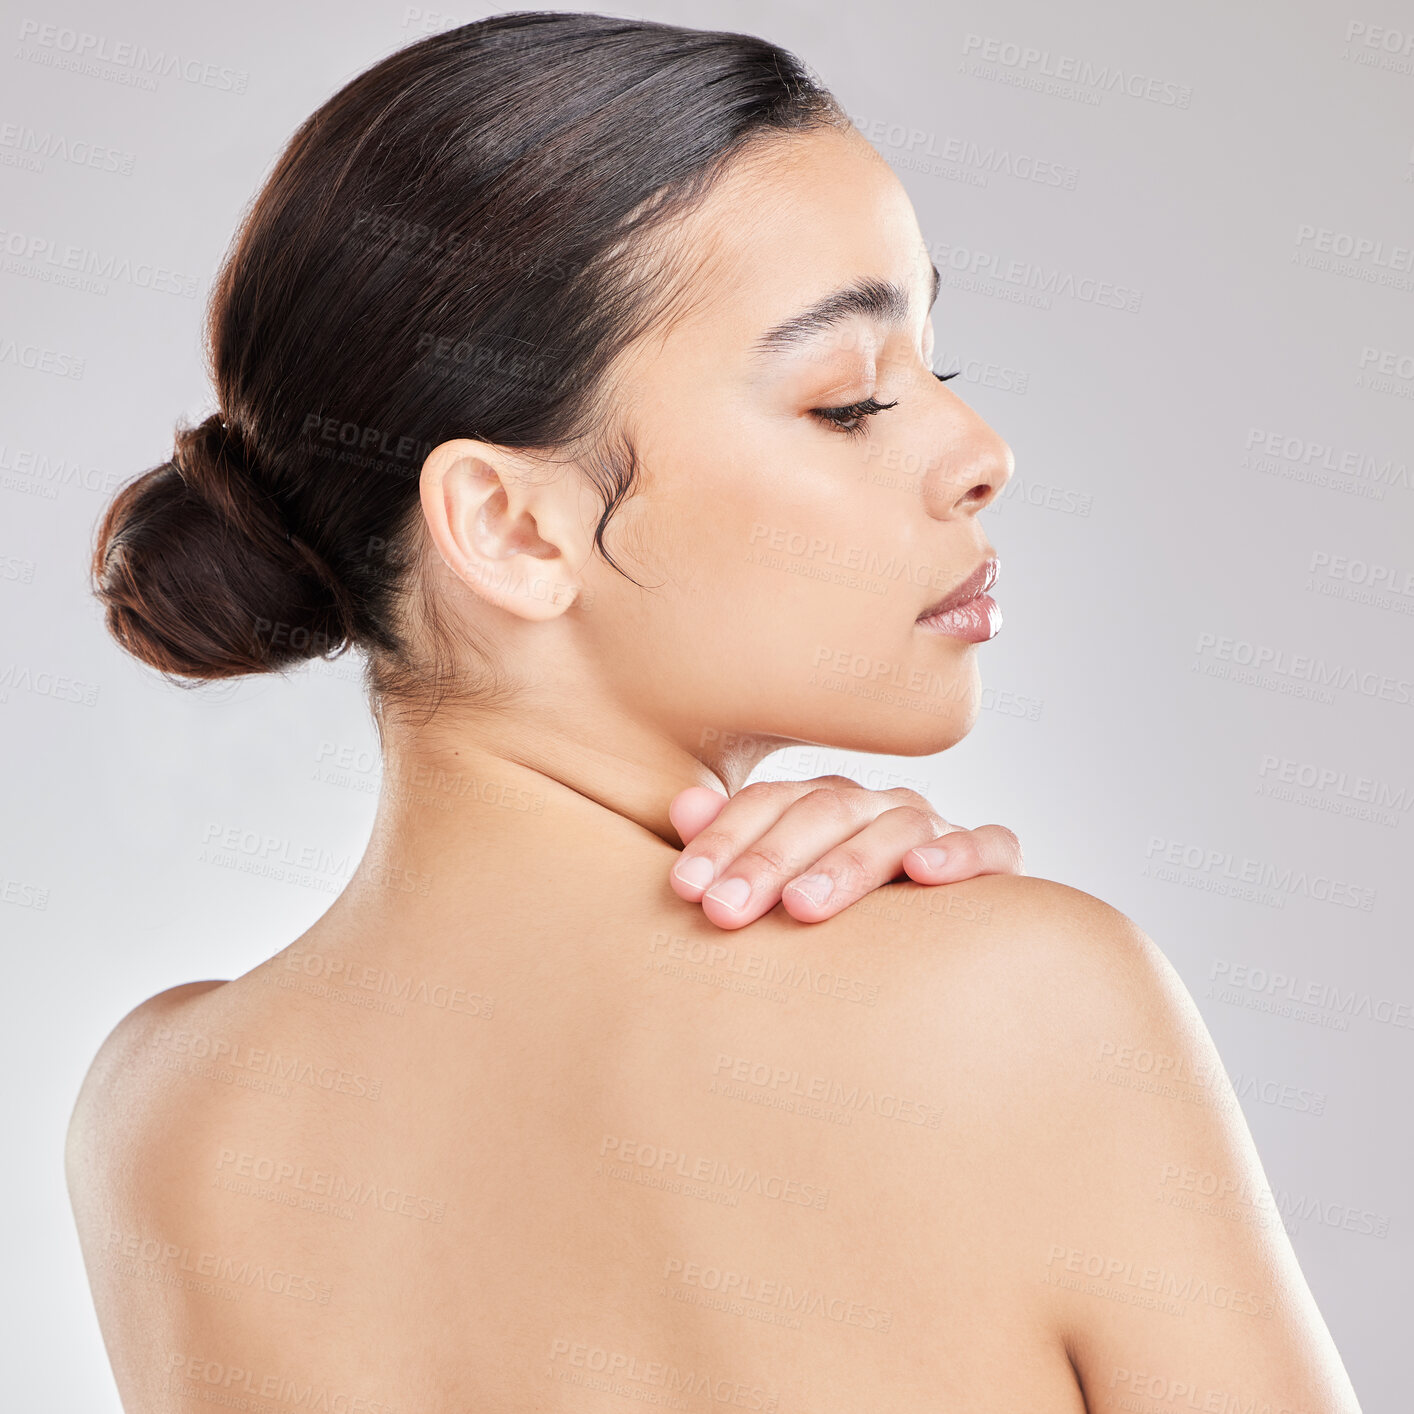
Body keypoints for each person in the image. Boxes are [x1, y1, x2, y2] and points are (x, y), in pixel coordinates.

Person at [66, 11, 1362, 1412]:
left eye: (940, 368)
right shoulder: (1016, 1003)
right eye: (850, 399)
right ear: (508, 524)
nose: (979, 453)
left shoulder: (161, 1117)